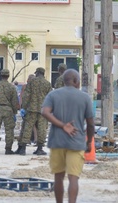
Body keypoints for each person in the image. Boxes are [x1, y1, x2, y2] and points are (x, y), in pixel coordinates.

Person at [41, 69, 95, 203]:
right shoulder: (85, 97)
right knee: (73, 178)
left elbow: (45, 112)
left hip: (57, 141)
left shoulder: (53, 95)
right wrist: (89, 143)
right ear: (76, 81)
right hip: (76, 143)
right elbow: (91, 124)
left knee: (58, 177)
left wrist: (62, 125)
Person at [16, 67, 52, 155]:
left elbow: (26, 95)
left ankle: (23, 149)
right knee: (42, 129)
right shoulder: (47, 83)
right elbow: (50, 97)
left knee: (27, 128)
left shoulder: (32, 82)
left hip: (31, 109)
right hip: (43, 110)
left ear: (37, 73)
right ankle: (39, 148)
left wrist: (23, 107)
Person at [0, 69, 19, 155]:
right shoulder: (12, 87)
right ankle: (8, 149)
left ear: (1, 75)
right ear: (8, 76)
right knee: (9, 130)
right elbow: (14, 101)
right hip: (8, 109)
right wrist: (14, 112)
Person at [19, 74, 36, 144]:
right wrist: (21, 106)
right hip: (30, 107)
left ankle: (29, 139)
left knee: (30, 124)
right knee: (31, 124)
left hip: (30, 107)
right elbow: (21, 97)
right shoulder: (25, 87)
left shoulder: (32, 87)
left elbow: (21, 97)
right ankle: (32, 139)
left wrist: (21, 106)